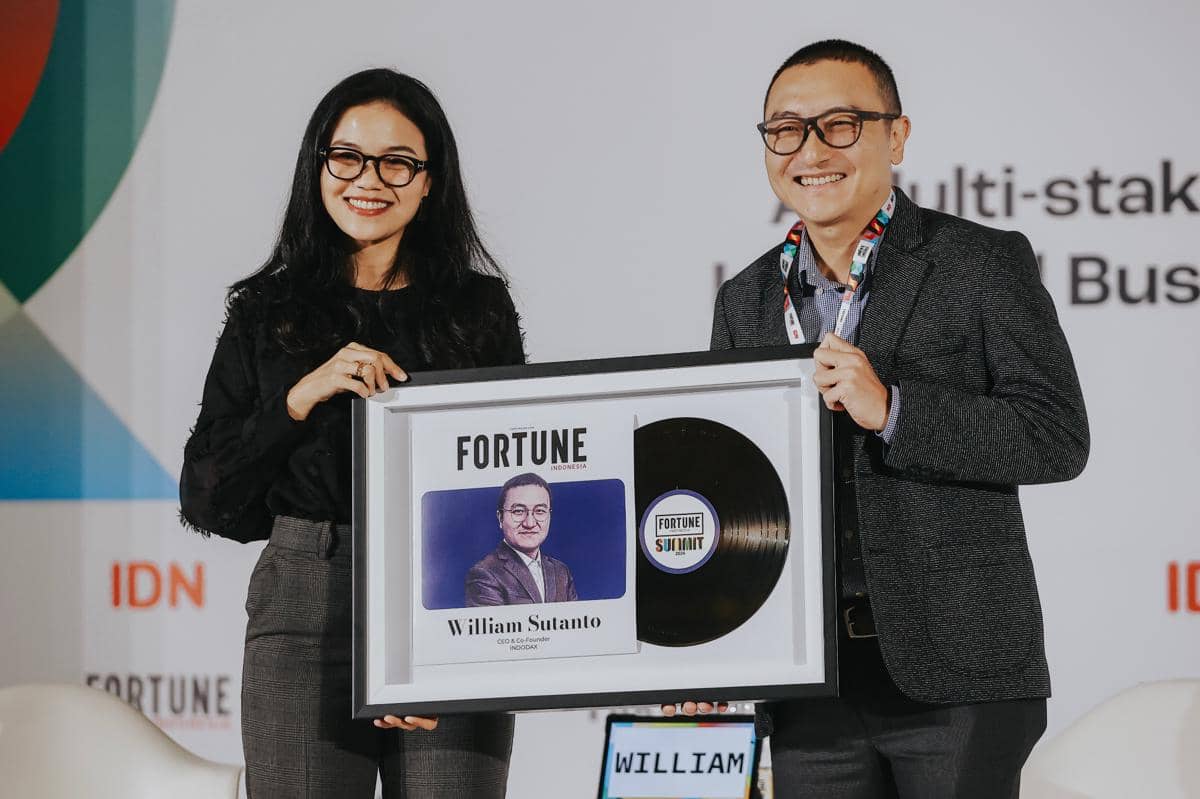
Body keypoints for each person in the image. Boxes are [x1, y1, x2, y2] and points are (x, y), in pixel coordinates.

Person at [669, 40, 1089, 798]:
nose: (810, 151)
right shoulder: (747, 298)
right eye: (785, 130)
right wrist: (708, 644)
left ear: (896, 136)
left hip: (957, 673)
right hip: (809, 682)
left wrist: (894, 409)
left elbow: (1054, 435)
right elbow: (731, 489)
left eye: (840, 125)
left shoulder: (979, 262)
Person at [179, 68, 523, 798]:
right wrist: (301, 396)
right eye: (347, 157)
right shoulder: (264, 311)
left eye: (397, 162)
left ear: (430, 182)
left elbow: (508, 475)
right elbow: (209, 497)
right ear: (319, 167)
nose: (369, 180)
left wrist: (445, 642)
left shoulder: (478, 310)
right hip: (305, 602)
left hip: (453, 595)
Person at [465, 472, 578, 606]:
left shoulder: (561, 571)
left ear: (549, 516)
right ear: (500, 518)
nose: (529, 523)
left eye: (540, 511)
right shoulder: (485, 574)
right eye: (518, 511)